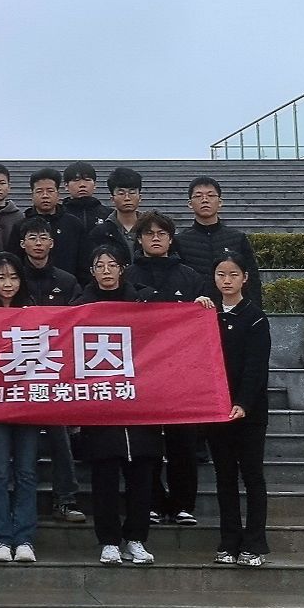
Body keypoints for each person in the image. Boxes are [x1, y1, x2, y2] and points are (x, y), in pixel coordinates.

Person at [74, 245, 162, 566]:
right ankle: (109, 541)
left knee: (142, 478)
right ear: (92, 271)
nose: (106, 271)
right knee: (105, 479)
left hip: (141, 403)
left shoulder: (144, 301)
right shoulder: (79, 307)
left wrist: (201, 305)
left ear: (122, 269)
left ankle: (136, 539)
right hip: (100, 406)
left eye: (112, 265)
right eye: (100, 265)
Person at [128, 212, 212, 526]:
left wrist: (202, 307)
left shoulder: (189, 276)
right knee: (145, 441)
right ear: (139, 239)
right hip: (141, 372)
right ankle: (150, 501)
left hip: (182, 374)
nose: (155, 238)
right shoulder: (128, 276)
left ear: (170, 238)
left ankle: (182, 504)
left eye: (161, 233)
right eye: (149, 233)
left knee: (183, 441)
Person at [17, 216, 86, 524]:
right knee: (21, 441)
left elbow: (79, 321)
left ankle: (66, 499)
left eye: (43, 237)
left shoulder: (67, 281)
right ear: (22, 244)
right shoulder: (12, 277)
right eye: (32, 237)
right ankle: (20, 502)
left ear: (52, 242)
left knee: (60, 438)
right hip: (17, 370)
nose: (38, 243)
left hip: (55, 371)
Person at [0, 254, 43, 562]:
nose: (8, 284)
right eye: (1, 277)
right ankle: (1, 538)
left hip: (28, 403)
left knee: (27, 472)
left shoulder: (34, 312)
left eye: (14, 277)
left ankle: (25, 538)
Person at [209, 254, 272, 567]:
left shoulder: (255, 317)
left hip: (250, 412)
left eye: (233, 274)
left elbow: (256, 367)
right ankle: (229, 540)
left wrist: (244, 403)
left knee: (252, 476)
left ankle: (254, 543)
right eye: (221, 274)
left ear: (245, 278)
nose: (227, 280)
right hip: (217, 410)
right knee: (224, 477)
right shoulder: (208, 315)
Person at [178, 176, 265, 304]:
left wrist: (254, 310)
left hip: (232, 308)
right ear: (190, 204)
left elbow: (252, 278)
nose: (205, 200)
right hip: (196, 308)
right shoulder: (180, 241)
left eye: (210, 195)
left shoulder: (237, 238)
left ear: (220, 202)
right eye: (198, 196)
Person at [9, 170, 90, 278]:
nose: (45, 195)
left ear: (58, 194)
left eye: (50, 191)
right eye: (39, 191)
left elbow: (84, 263)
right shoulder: (20, 226)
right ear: (32, 195)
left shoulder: (73, 224)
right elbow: (14, 262)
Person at [93, 166, 147, 267]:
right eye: (121, 193)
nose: (127, 198)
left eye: (132, 192)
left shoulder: (150, 229)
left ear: (140, 197)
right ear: (112, 199)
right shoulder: (100, 233)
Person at [60, 162, 108, 237]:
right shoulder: (58, 214)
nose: (82, 185)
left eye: (87, 180)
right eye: (76, 180)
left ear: (95, 184)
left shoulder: (109, 215)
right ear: (66, 186)